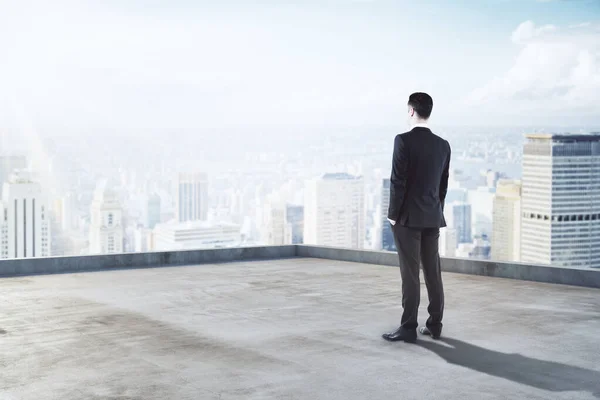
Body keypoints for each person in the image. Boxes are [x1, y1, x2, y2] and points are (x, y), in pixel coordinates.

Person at [382, 92, 451, 343]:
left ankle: (409, 327)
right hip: (432, 217)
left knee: (410, 274)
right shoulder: (443, 145)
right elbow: (443, 186)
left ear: (411, 111)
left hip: (407, 219)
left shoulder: (402, 141)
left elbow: (397, 181)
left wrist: (392, 215)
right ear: (428, 112)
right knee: (433, 272)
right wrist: (435, 210)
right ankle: (435, 325)